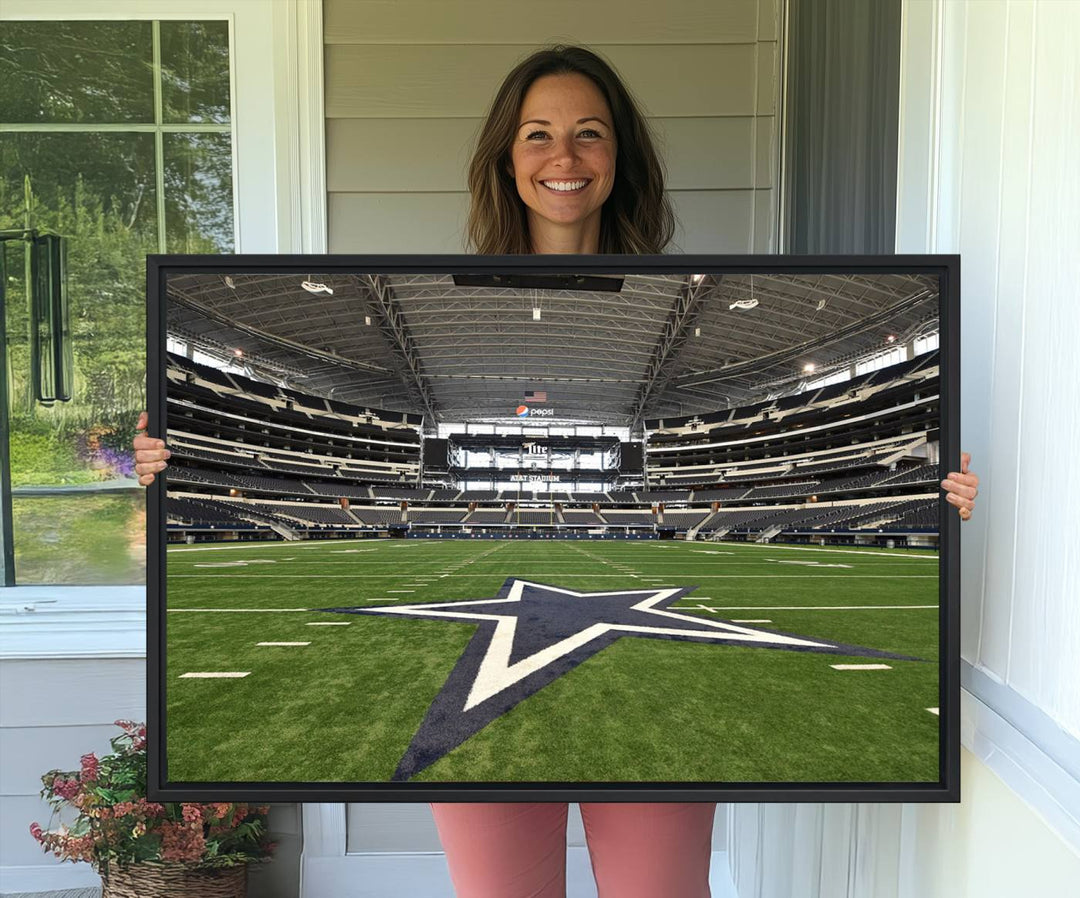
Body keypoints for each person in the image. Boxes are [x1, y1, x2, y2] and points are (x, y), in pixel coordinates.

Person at [134, 44, 979, 898]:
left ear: (620, 157)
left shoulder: (688, 285)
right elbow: (160, 501)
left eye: (589, 134)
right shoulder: (444, 287)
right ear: (507, 156)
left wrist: (929, 494)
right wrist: (170, 464)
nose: (563, 157)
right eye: (537, 134)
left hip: (657, 708)